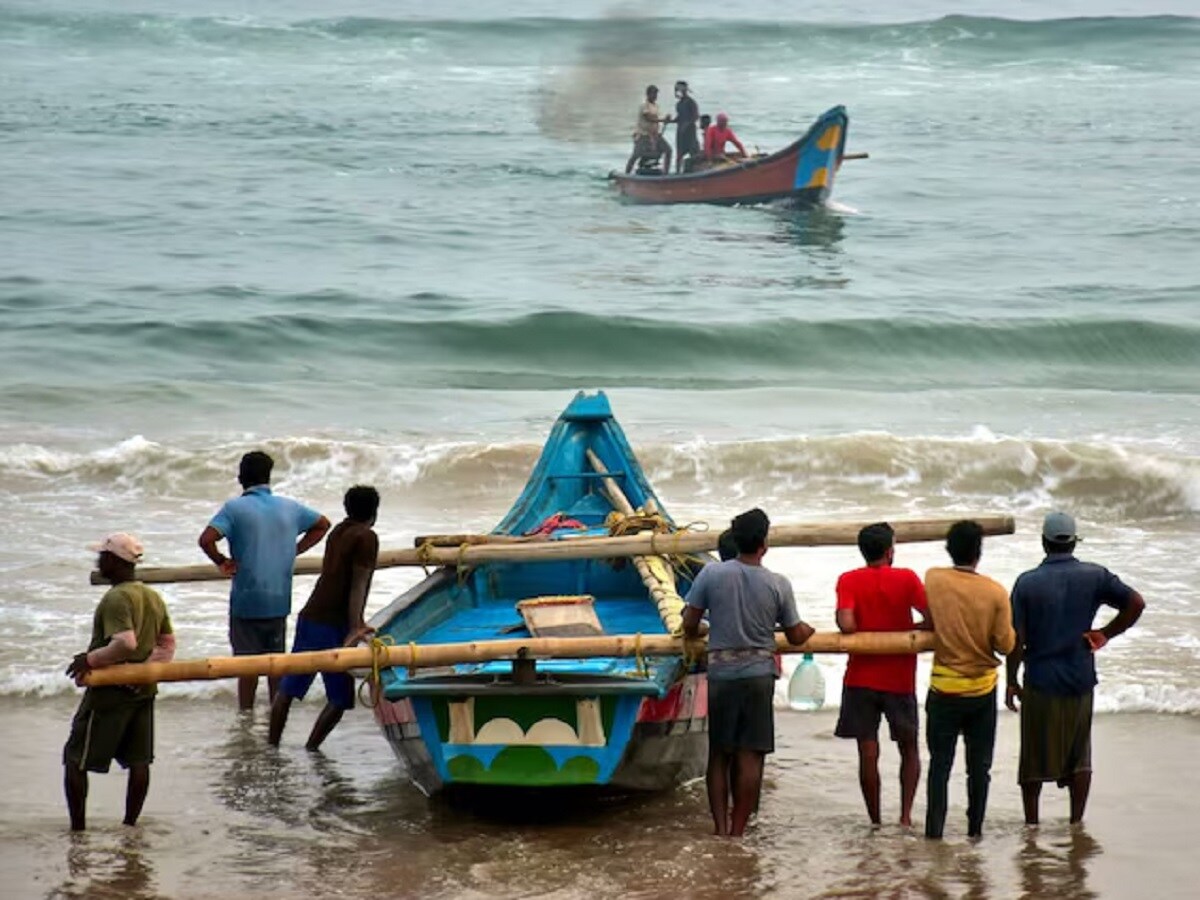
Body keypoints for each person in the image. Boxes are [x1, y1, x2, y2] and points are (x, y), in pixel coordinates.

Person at [1005, 512, 1145, 826]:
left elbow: (1016, 639)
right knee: (1079, 756)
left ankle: (1032, 824)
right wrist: (1105, 634)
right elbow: (1136, 603)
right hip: (1080, 677)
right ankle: (1075, 822)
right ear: (1073, 542)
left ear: (1044, 543)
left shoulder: (1027, 583)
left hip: (1040, 680)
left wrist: (1011, 680)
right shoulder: (1095, 576)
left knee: (1033, 759)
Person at [682, 508, 815, 837]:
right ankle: (739, 830)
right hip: (758, 675)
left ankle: (720, 828)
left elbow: (689, 623)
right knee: (751, 755)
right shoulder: (777, 583)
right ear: (764, 544)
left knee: (719, 754)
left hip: (721, 674)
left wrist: (705, 629)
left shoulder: (712, 575)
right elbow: (796, 634)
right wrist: (810, 630)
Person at [199, 451, 330, 711]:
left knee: (246, 669)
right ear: (269, 477)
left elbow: (206, 539)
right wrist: (295, 549)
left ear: (241, 478)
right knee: (275, 667)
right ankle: (275, 719)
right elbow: (323, 524)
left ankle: (246, 718)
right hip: (278, 601)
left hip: (247, 600)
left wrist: (222, 561)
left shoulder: (234, 508)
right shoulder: (290, 507)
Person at [63, 533, 176, 831]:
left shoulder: (116, 597)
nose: (98, 560)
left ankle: (78, 830)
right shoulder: (152, 596)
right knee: (139, 760)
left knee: (75, 759)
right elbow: (167, 644)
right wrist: (143, 674)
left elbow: (125, 643)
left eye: (102, 556)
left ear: (114, 561)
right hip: (143, 689)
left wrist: (90, 660)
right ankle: (130, 826)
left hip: (109, 692)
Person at [923, 520, 1016, 840]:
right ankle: (974, 832)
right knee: (979, 770)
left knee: (940, 767)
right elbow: (1005, 644)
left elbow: (931, 616)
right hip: (981, 692)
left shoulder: (933, 579)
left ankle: (934, 833)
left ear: (949, 550)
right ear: (979, 552)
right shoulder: (995, 592)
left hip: (944, 688)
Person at [269, 485, 381, 751]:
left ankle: (271, 747)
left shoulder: (339, 531)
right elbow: (359, 582)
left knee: (288, 688)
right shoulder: (366, 537)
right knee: (341, 698)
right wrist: (356, 626)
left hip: (310, 617)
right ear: (374, 512)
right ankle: (311, 749)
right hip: (333, 624)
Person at [835, 522, 929, 827]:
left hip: (860, 676)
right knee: (909, 747)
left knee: (868, 751)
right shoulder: (907, 578)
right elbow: (932, 618)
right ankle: (905, 817)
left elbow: (847, 625)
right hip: (899, 677)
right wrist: (908, 631)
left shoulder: (848, 579)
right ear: (890, 551)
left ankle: (875, 820)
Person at [625, 84, 671, 175]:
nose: (655, 96)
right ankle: (626, 174)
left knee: (668, 150)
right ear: (648, 94)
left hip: (654, 135)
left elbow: (656, 120)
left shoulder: (656, 106)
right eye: (653, 94)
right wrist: (662, 120)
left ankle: (666, 173)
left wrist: (667, 120)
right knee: (636, 155)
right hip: (643, 135)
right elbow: (648, 118)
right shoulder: (644, 106)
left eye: (656, 94)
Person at [672, 80, 701, 171]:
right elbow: (680, 117)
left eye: (678, 90)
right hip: (681, 132)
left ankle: (696, 170)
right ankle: (677, 173)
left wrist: (686, 124)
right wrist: (669, 121)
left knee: (693, 152)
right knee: (679, 154)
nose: (677, 92)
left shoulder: (691, 102)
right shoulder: (679, 104)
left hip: (690, 132)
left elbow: (695, 116)